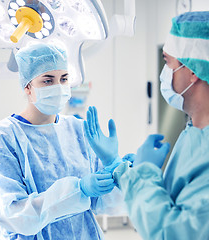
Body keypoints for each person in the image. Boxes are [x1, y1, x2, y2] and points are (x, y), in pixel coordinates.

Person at [0, 43, 125, 240]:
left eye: (64, 79)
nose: (58, 87)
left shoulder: (78, 129)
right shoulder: (5, 136)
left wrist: (116, 171)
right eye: (47, 81)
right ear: (28, 87)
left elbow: (105, 204)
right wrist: (78, 190)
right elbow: (12, 215)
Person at [85, 11, 209, 240]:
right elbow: (170, 201)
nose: (165, 74)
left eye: (167, 62)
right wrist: (119, 168)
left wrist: (144, 172)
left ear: (192, 71)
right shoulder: (194, 133)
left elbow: (173, 232)